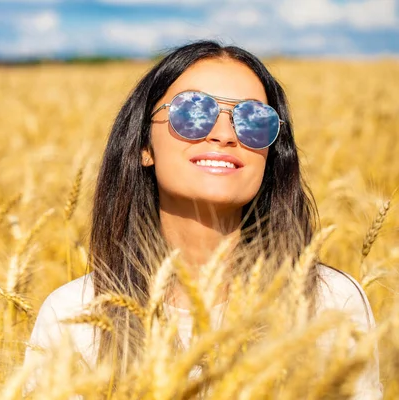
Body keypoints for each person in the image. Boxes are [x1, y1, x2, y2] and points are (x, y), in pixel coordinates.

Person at [23, 40, 383, 398]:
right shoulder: (75, 317)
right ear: (143, 147)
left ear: (271, 153)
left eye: (253, 120)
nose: (224, 134)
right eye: (192, 112)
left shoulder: (329, 304)